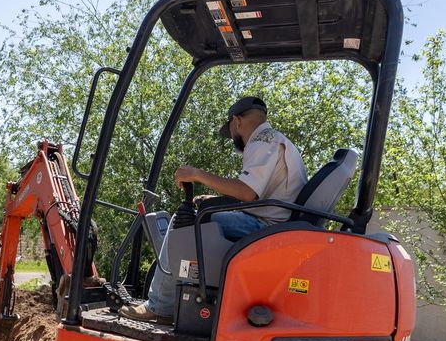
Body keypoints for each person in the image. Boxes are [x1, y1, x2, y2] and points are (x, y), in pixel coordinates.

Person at [122, 95, 307, 324]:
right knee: (200, 216)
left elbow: (247, 192)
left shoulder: (262, 140)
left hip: (266, 227)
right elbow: (257, 195)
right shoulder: (277, 141)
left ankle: (160, 305)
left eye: (230, 131)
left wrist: (198, 175)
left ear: (237, 121)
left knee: (184, 221)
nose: (232, 138)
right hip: (274, 223)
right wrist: (217, 199)